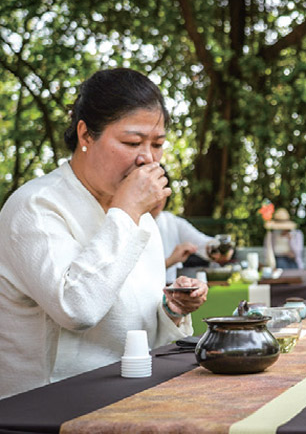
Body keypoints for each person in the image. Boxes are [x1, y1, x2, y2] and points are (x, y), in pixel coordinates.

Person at [0, 68, 208, 400]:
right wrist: (125, 211)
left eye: (157, 144)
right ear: (85, 135)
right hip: (43, 408)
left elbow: (142, 335)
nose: (147, 158)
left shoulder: (142, 220)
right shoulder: (35, 207)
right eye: (132, 142)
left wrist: (172, 309)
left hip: (129, 396)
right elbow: (77, 308)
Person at [151, 167, 233, 284]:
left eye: (163, 189)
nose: (159, 196)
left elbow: (201, 243)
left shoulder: (170, 221)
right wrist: (170, 260)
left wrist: (217, 249)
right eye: (153, 190)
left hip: (170, 292)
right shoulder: (128, 221)